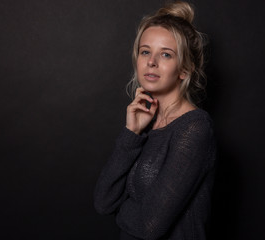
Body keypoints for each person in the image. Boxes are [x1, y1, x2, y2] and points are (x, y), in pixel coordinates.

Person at [94, 1, 216, 239]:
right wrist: (132, 133)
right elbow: (103, 201)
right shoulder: (144, 122)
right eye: (145, 51)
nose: (151, 62)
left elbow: (150, 227)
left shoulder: (196, 127)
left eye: (166, 54)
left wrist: (121, 210)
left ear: (184, 69)